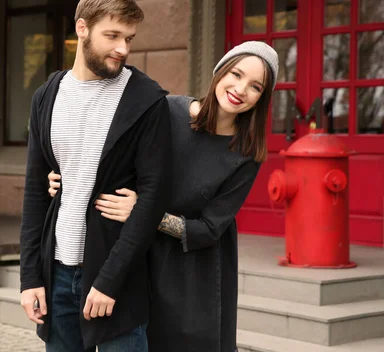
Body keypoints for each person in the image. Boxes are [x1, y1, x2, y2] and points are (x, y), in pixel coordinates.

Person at [48, 41, 279, 352]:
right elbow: (112, 158)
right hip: (135, 250)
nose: (240, 89)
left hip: (192, 269)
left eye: (255, 87)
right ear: (220, 72)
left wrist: (146, 212)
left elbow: (210, 229)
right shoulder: (167, 111)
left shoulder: (247, 154)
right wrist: (62, 178)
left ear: (261, 99)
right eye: (236, 74)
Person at [19, 0, 172, 352]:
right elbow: (36, 191)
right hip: (56, 273)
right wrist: (30, 279)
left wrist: (109, 281)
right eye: (113, 36)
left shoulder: (147, 100)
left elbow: (153, 196)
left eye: (129, 39)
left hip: (116, 279)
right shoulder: (47, 95)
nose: (123, 48)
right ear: (82, 28)